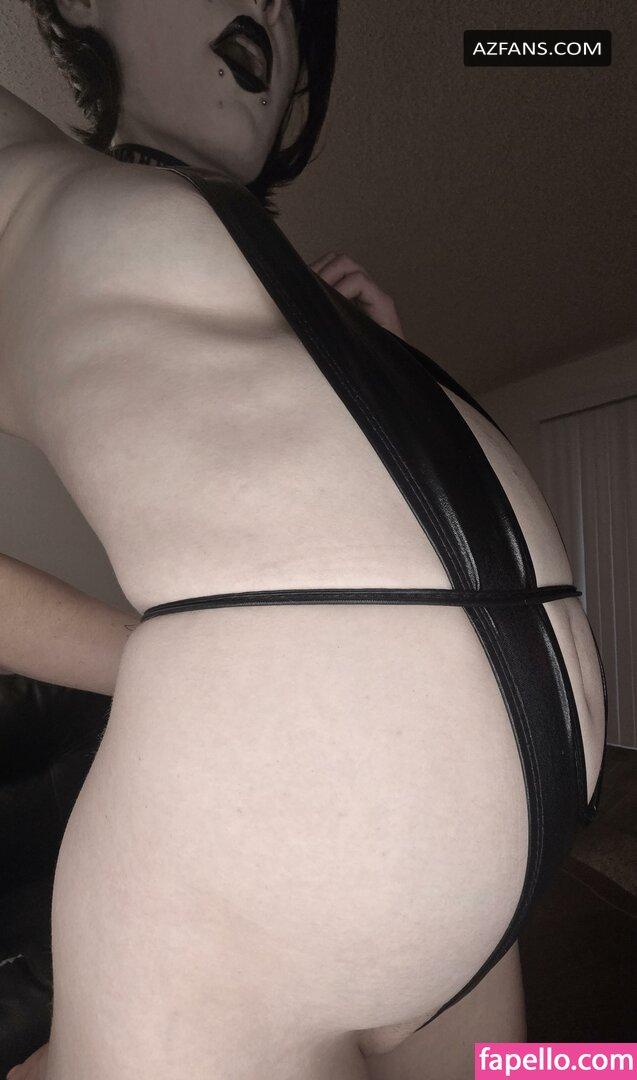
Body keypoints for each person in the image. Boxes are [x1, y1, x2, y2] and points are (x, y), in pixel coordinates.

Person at [0, 2, 606, 1078]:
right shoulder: (23, 178)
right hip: (260, 864)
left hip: (492, 880)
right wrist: (158, 663)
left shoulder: (293, 300)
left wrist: (382, 366)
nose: (276, 10)